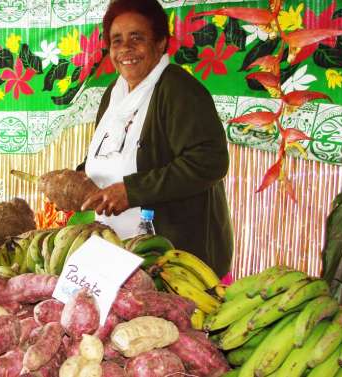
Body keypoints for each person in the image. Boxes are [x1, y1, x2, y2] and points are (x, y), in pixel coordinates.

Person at [78, 0, 233, 276]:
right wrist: (77, 178)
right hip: (119, 249)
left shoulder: (179, 90)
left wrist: (133, 191)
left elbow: (209, 161)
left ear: (161, 43)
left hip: (173, 257)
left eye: (137, 38)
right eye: (117, 40)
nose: (125, 48)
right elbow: (113, 153)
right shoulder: (115, 93)